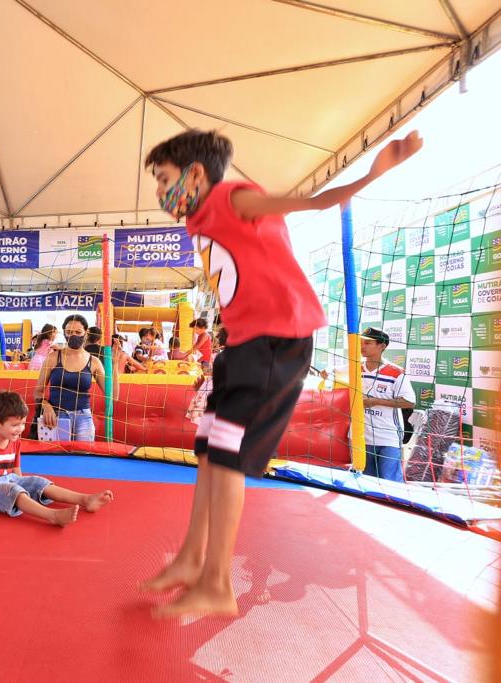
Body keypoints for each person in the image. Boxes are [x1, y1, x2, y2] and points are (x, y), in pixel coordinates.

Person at [139, 128, 422, 618]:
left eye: (164, 179)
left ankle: (217, 583)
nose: (161, 192)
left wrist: (373, 174)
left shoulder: (232, 198)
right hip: (246, 345)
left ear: (196, 174)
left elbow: (307, 203)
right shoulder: (201, 221)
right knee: (207, 449)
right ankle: (190, 558)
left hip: (276, 342)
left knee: (227, 456)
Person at [0, 391, 113, 526]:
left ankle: (85, 499)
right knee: (14, 490)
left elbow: (16, 469)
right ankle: (52, 516)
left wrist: (25, 484)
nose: (20, 429)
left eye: (23, 424)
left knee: (37, 481)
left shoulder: (14, 439)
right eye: (15, 425)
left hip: (9, 479)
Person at [34, 314, 107, 442]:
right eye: (68, 332)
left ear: (86, 332)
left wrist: (116, 363)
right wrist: (46, 405)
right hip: (56, 415)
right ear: (64, 333)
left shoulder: (93, 361)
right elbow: (37, 391)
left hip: (83, 417)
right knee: (57, 455)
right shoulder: (53, 358)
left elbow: (112, 395)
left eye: (78, 332)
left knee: (84, 457)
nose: (73, 335)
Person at [359, 327, 414, 482]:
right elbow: (328, 373)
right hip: (362, 438)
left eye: (368, 343)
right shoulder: (354, 368)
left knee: (389, 482)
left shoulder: (396, 372)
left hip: (387, 437)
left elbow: (410, 401)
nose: (362, 347)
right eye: (361, 343)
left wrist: (375, 401)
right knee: (366, 482)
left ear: (382, 346)